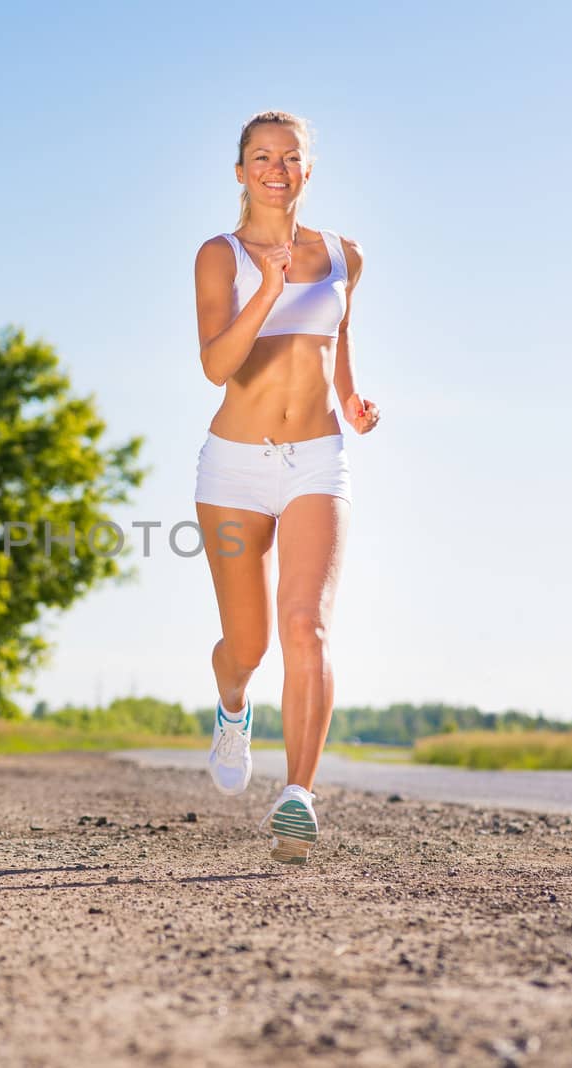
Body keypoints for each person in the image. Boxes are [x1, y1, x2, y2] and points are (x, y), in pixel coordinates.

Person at [192, 110, 381, 864]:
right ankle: (232, 707)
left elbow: (338, 332)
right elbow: (216, 365)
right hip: (233, 468)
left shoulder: (344, 255)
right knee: (250, 644)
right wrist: (266, 288)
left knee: (308, 626)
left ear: (309, 169)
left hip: (317, 459)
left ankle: (298, 795)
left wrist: (352, 398)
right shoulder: (220, 257)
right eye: (261, 156)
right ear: (241, 172)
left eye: (290, 157)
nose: (276, 168)